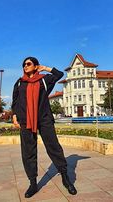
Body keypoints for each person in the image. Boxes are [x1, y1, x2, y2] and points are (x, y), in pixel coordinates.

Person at [12, 56, 77, 198]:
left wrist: (45, 68)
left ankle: (66, 178)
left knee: (53, 147)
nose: (25, 66)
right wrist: (15, 115)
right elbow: (15, 100)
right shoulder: (19, 83)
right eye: (23, 64)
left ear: (36, 66)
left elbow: (59, 74)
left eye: (28, 64)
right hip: (25, 120)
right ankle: (33, 183)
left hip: (44, 118)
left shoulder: (44, 80)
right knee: (28, 151)